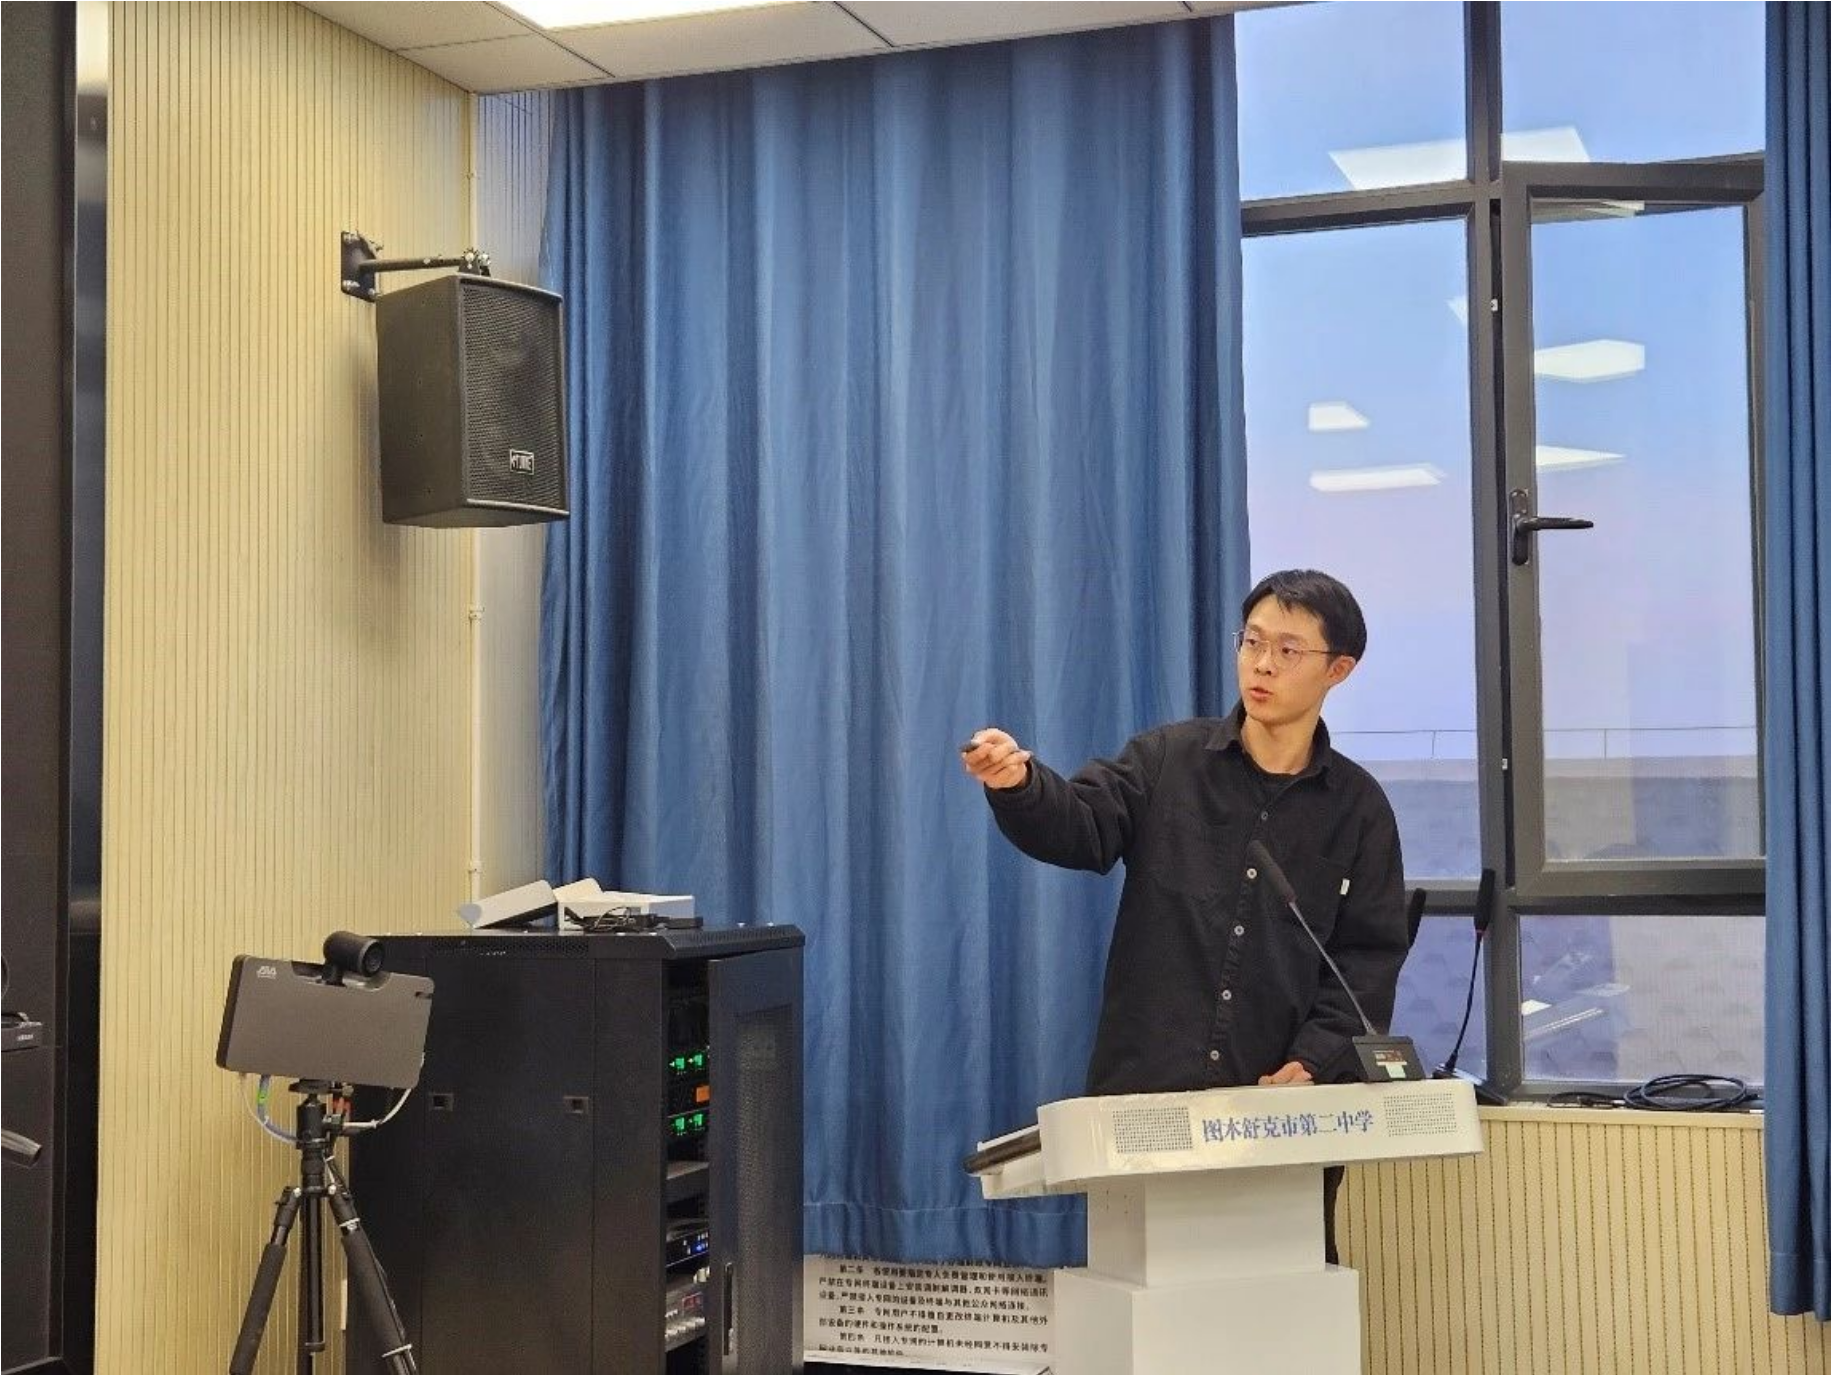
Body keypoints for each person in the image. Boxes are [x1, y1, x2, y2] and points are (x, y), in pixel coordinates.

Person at [960, 568, 1412, 1265]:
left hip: (1278, 1118)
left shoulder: (1358, 809)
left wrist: (1312, 1059)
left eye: (1287, 649)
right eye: (1252, 641)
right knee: (1147, 1305)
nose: (1262, 663)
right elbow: (1080, 825)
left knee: (1277, 1303)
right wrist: (1020, 786)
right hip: (1147, 1108)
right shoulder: (1166, 760)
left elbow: (1366, 962)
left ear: (1339, 669)